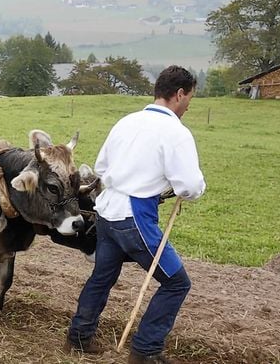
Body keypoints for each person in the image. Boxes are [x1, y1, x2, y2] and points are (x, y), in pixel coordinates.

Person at [64, 66, 206, 363]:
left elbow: (101, 167)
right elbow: (190, 186)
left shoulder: (126, 122)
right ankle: (146, 351)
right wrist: (179, 189)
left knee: (102, 277)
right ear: (179, 94)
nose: (190, 104)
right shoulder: (176, 132)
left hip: (106, 212)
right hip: (135, 216)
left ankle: (78, 338)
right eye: (190, 97)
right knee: (177, 283)